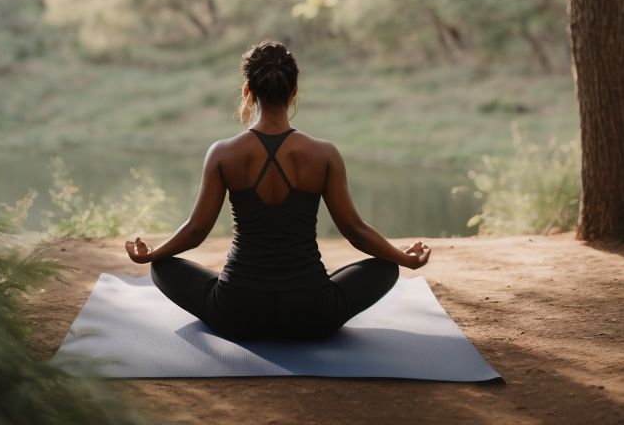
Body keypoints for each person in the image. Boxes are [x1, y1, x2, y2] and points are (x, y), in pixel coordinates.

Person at [123, 40, 432, 341]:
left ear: (248, 91)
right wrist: (403, 259)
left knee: (162, 267)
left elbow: (195, 231)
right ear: (293, 92)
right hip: (311, 314)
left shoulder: (223, 153)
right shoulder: (324, 154)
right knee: (386, 268)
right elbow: (355, 230)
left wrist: (151, 254)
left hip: (237, 312)